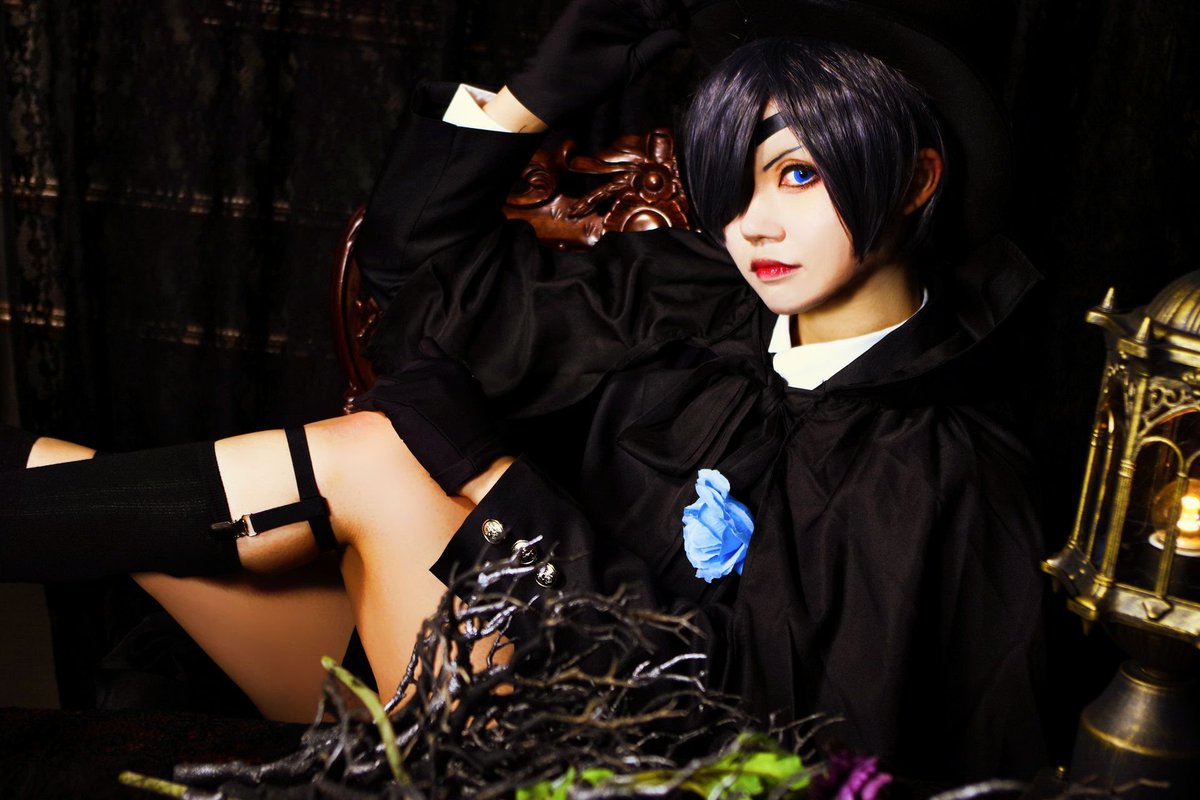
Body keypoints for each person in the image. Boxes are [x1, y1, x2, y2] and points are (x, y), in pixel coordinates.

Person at [0, 0, 1046, 782]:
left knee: (377, 459)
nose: (753, 225)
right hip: (467, 677)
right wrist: (525, 102)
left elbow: (761, 732)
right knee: (65, 474)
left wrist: (496, 479)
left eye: (799, 175)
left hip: (622, 765)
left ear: (914, 180)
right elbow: (417, 280)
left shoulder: (938, 466)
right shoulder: (697, 301)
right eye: (735, 182)